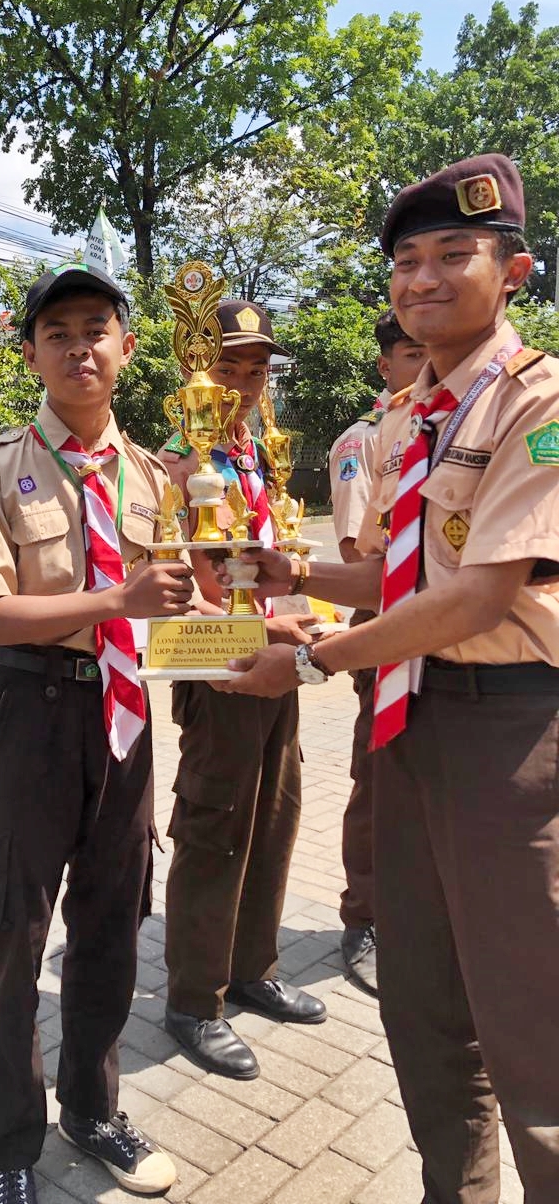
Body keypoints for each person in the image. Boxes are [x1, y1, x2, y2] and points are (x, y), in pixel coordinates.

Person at [212, 154, 559, 1204]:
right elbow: (395, 570)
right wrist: (292, 570)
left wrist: (311, 654)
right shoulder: (413, 415)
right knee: (423, 1000)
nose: (422, 278)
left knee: (530, 1020)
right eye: (406, 260)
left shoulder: (537, 398)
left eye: (455, 253)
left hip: (511, 735)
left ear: (515, 271)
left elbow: (475, 598)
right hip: (411, 721)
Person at [0, 263, 193, 1204]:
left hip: (125, 719)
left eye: (98, 329)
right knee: (14, 931)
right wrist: (112, 599)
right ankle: (8, 1147)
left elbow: (172, 609)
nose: (79, 347)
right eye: (58, 333)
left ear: (127, 348)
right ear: (32, 355)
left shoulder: (157, 478)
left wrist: (262, 625)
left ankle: (92, 1112)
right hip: (30, 715)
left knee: (111, 928)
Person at [159, 299, 326, 1083]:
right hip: (222, 668)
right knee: (215, 826)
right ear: (197, 371)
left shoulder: (255, 455)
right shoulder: (175, 461)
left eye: (257, 371)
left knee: (276, 817)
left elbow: (269, 558)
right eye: (230, 368)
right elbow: (183, 585)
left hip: (278, 658)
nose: (246, 384)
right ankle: (195, 999)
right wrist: (260, 634)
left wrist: (296, 619)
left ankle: (253, 967)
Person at [326, 310, 426, 995]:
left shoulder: (464, 423)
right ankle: (363, 918)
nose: (423, 365)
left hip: (458, 644)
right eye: (410, 353)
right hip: (388, 631)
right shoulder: (366, 441)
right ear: (385, 364)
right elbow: (358, 553)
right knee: (378, 782)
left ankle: (416, 916)